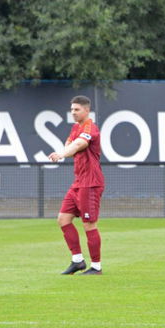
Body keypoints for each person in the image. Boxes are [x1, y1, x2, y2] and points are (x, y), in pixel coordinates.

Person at [49, 95, 105, 275]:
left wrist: (62, 154)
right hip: (79, 183)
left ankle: (96, 267)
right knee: (63, 219)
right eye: (72, 109)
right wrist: (67, 150)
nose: (73, 112)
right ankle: (77, 261)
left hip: (90, 183)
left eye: (77, 109)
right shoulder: (76, 128)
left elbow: (78, 144)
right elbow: (70, 145)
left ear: (87, 111)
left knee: (89, 224)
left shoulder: (90, 128)